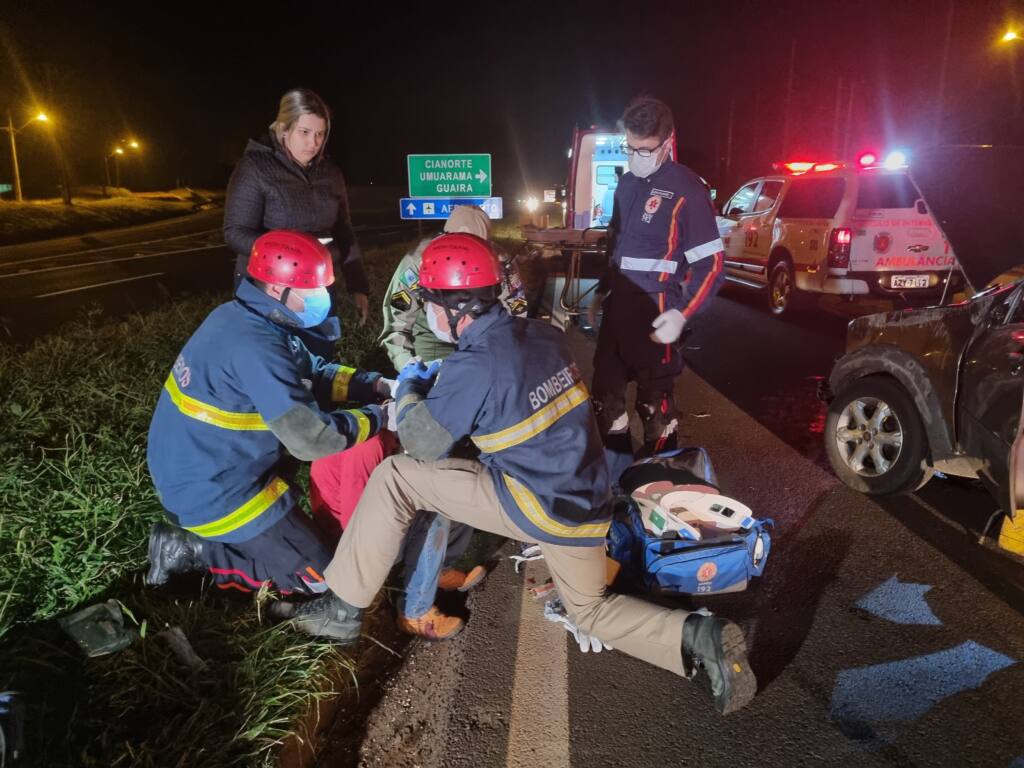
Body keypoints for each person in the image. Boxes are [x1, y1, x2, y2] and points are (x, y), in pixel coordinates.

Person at [270, 234, 756, 716]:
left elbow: (422, 444)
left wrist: (414, 390)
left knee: (398, 477)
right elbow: (502, 390)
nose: (427, 314)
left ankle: (343, 608)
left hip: (534, 504)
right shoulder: (543, 335)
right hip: (587, 504)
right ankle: (698, 635)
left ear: (454, 306)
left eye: (429, 303)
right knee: (589, 610)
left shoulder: (473, 363)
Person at [307, 205, 525, 639]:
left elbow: (515, 321)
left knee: (471, 474)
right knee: (438, 482)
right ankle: (416, 605)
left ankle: (437, 566)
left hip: (479, 374)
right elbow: (395, 327)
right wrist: (412, 377)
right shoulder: (418, 266)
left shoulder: (502, 265)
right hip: (430, 376)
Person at [144, 230, 390, 596]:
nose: (322, 298)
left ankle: (225, 542)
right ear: (277, 290)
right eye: (311, 290)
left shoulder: (250, 320)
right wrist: (382, 417)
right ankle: (193, 550)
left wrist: (378, 386)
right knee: (325, 582)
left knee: (318, 556)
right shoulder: (254, 343)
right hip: (216, 493)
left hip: (221, 468)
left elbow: (316, 374)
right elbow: (312, 439)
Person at [588, 97, 725, 477]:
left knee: (655, 409)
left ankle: (659, 487)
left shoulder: (688, 189)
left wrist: (682, 314)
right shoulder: (627, 185)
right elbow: (616, 244)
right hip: (618, 314)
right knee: (606, 403)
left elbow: (711, 265)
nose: (636, 156)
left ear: (668, 142)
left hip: (658, 312)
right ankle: (618, 487)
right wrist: (602, 290)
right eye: (629, 148)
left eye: (645, 150)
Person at [223, 88, 369, 343]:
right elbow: (235, 232)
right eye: (304, 132)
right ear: (284, 128)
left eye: (320, 134)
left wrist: (358, 286)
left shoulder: (331, 173)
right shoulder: (255, 168)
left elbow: (344, 231)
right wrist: (292, 255)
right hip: (267, 289)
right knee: (273, 363)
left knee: (318, 361)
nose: (313, 143)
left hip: (319, 287)